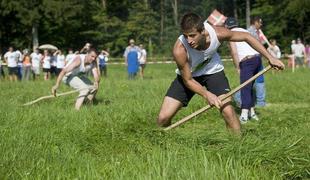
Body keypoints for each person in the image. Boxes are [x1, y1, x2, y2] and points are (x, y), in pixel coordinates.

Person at [156, 13, 284, 133]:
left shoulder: (217, 33)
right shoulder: (179, 49)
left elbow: (247, 37)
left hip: (213, 71)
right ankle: (166, 143)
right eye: (185, 36)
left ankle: (239, 146)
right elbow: (188, 80)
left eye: (192, 35)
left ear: (202, 31)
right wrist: (207, 95)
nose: (188, 40)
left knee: (228, 112)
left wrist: (270, 57)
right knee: (163, 118)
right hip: (189, 77)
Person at [225, 17, 263, 124]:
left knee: (245, 88)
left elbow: (234, 52)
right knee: (249, 87)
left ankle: (244, 115)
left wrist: (237, 67)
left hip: (247, 62)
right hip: (257, 59)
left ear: (226, 26)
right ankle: (252, 112)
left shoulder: (230, 34)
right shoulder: (245, 31)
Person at [247, 16, 266, 107]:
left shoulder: (255, 32)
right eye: (260, 22)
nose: (261, 24)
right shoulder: (250, 32)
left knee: (259, 80)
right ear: (255, 22)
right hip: (252, 59)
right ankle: (240, 99)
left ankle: (260, 102)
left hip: (257, 58)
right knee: (249, 81)